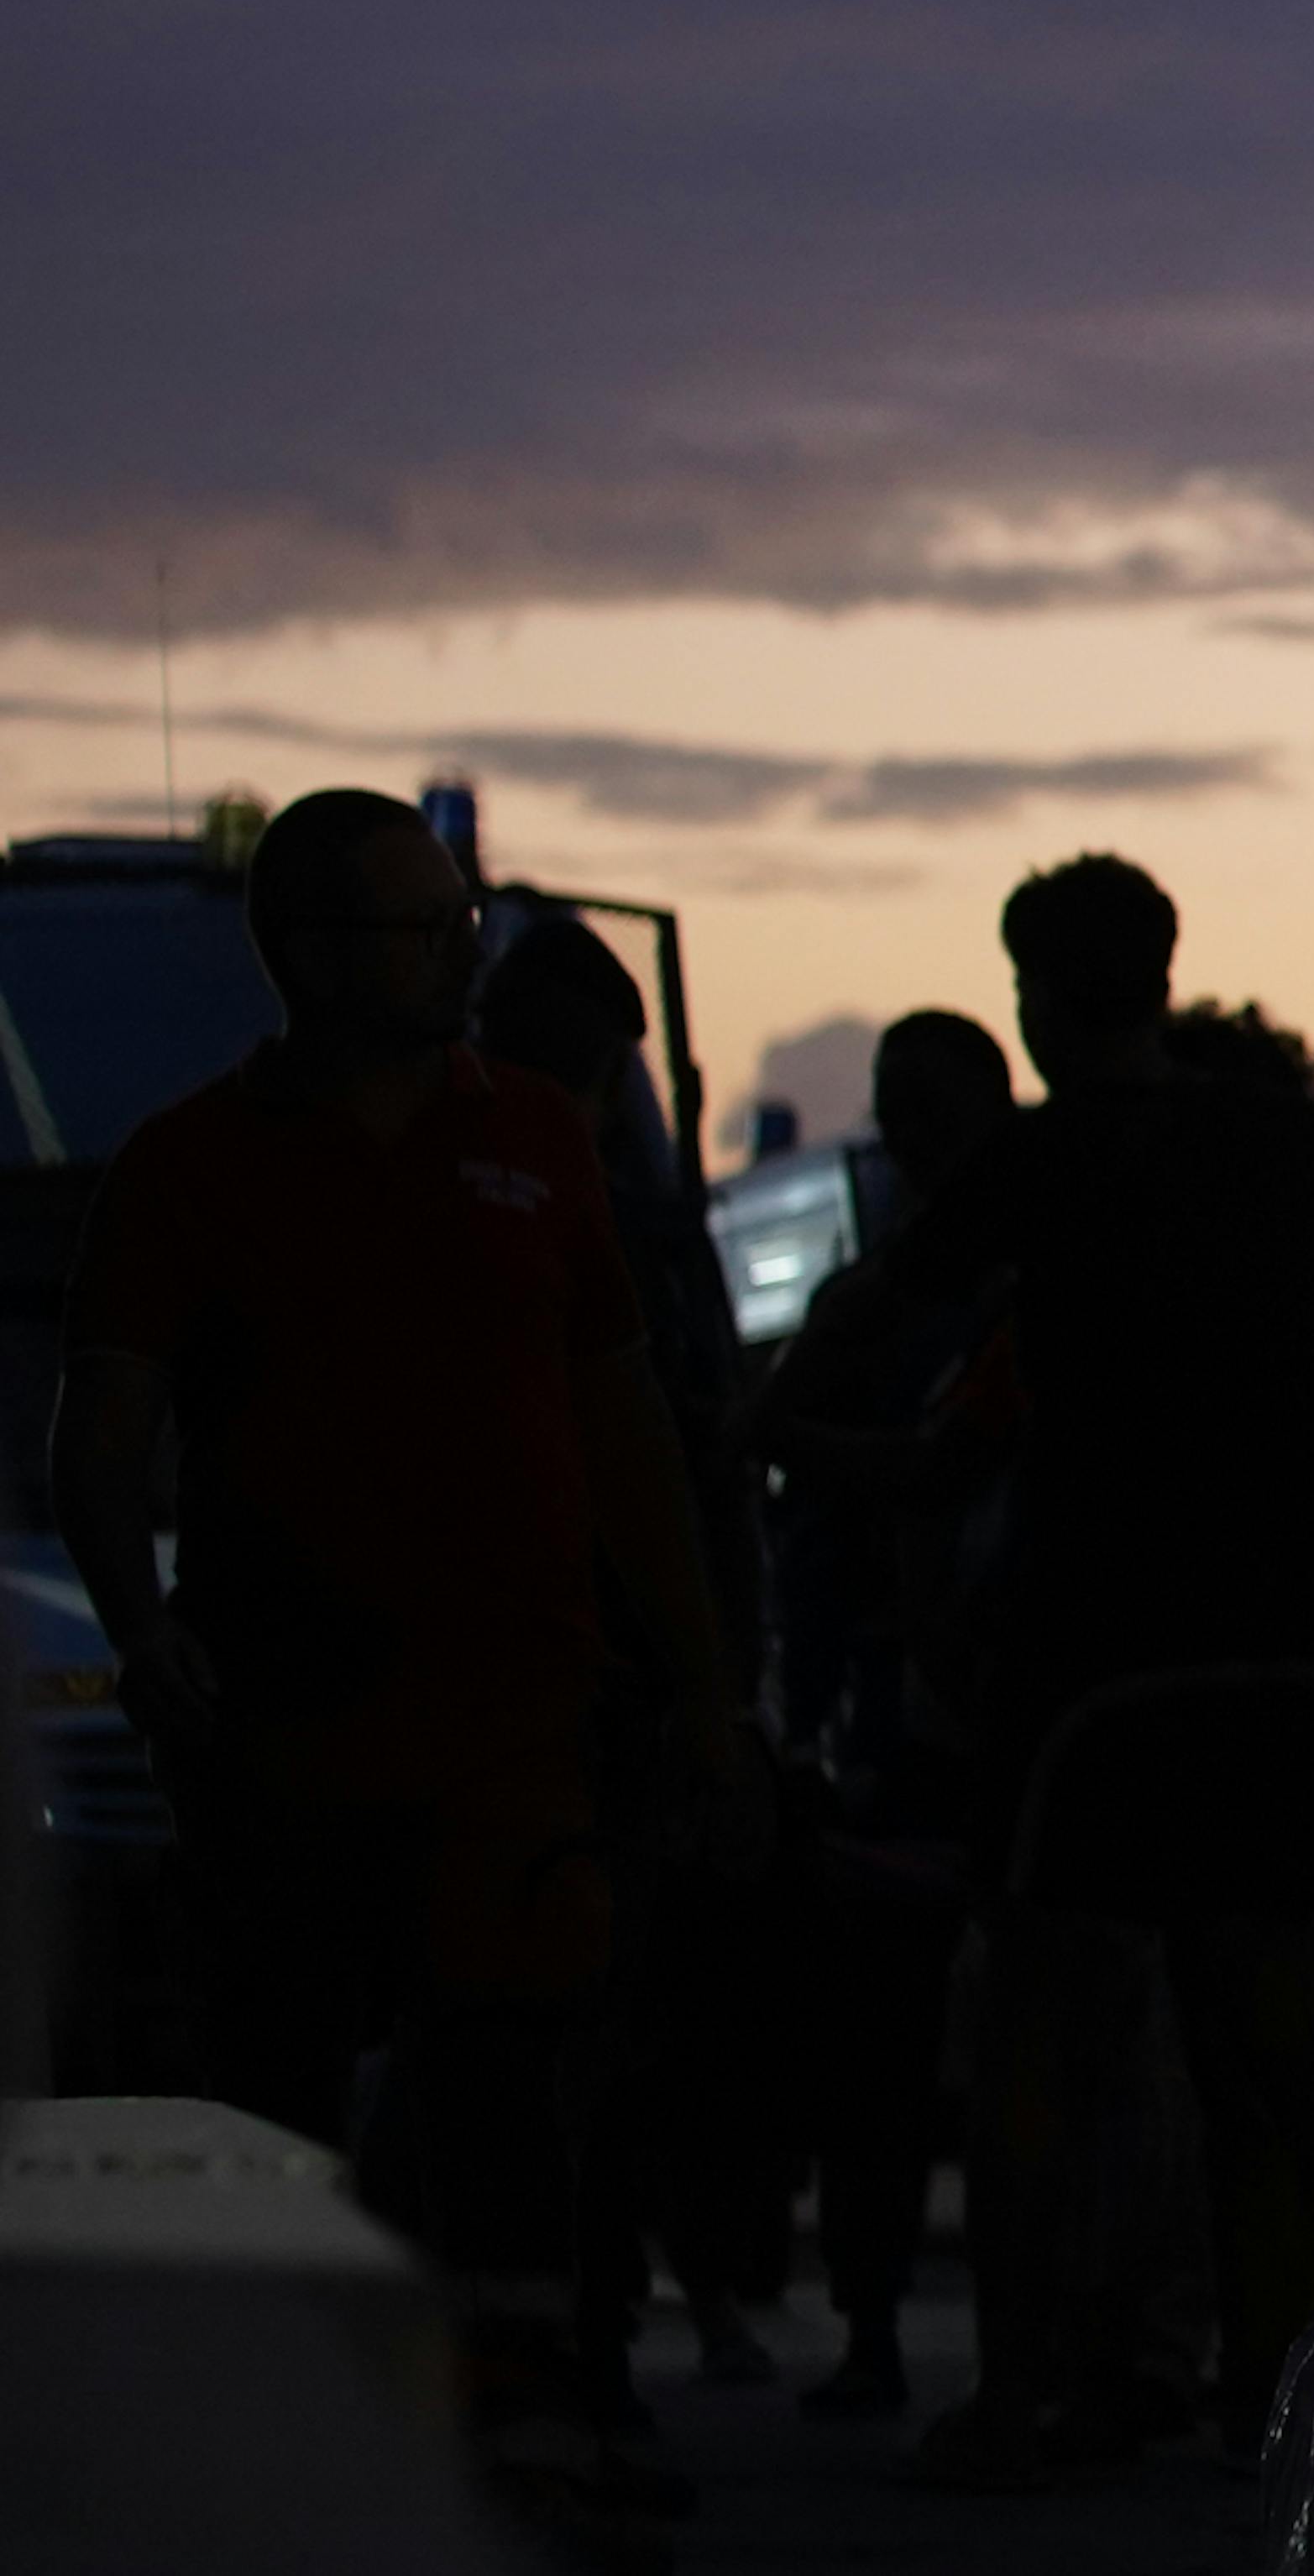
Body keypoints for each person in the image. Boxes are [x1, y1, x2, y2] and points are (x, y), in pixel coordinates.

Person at [45, 789, 762, 2533]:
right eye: (424, 922)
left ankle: (530, 2409)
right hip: (279, 1720)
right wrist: (141, 1629)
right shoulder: (185, 1166)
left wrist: (706, 1675)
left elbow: (624, 1420)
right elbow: (104, 1430)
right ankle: (274, 2415)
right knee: (276, 2078)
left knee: (512, 2066)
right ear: (309, 951)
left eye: (457, 919)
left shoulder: (537, 1136)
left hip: (514, 1714)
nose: (459, 950)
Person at [768, 852, 1314, 2480]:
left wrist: (770, 1424)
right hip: (1284, 1647)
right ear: (1166, 966)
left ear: (1035, 996)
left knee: (1038, 2032)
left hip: (1095, 1658)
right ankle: (1288, 2374)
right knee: (1259, 2039)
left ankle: (1024, 2384)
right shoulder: (1299, 1151)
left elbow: (885, 1333)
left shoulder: (1038, 1164)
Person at [471, 913, 797, 2413]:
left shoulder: (497, 1212)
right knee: (602, 2042)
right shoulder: (620, 1237)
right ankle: (576, 2352)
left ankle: (561, 2348)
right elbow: (696, 1467)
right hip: (603, 1692)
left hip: (532, 1692)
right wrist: (728, 1682)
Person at [752, 1008, 1019, 2425]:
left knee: (926, 2050)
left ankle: (922, 2333)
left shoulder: (956, 1297)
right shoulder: (928, 1298)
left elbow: (817, 1467)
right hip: (925, 1722)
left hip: (969, 1716)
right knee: (894, 2049)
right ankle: (902, 2326)